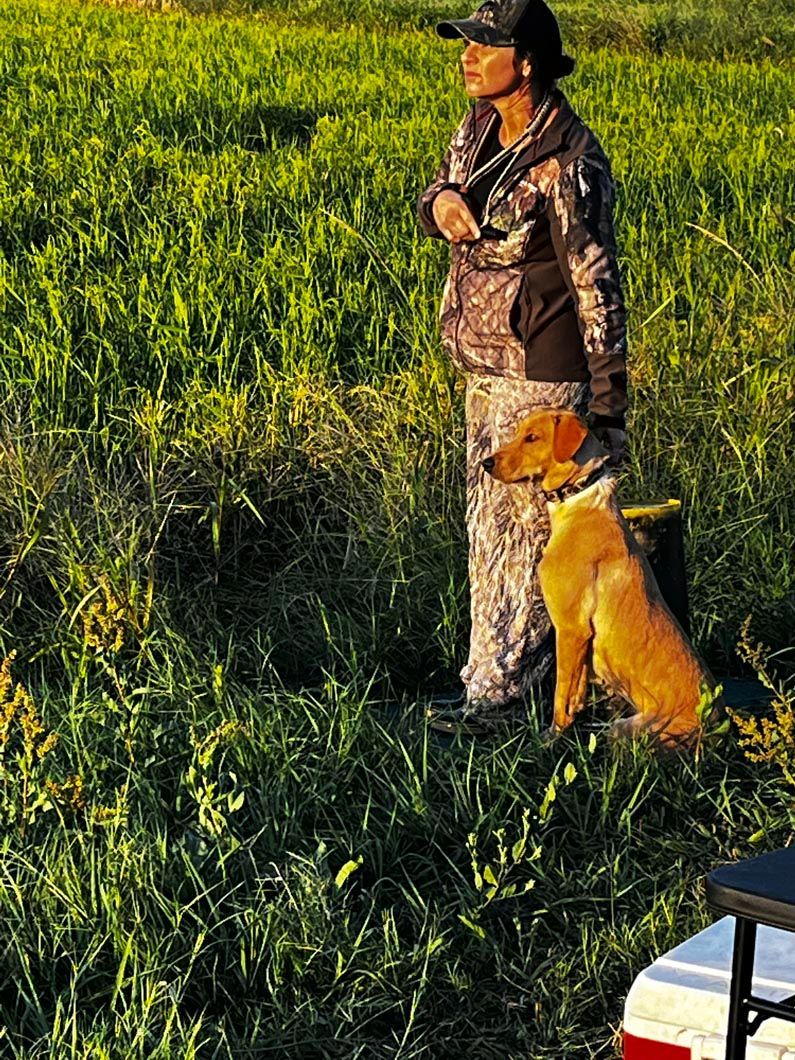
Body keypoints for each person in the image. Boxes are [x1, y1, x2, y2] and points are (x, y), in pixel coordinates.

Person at [417, 0, 629, 734]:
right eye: (466, 42)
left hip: (541, 374)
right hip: (483, 367)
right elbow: (435, 188)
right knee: (488, 532)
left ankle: (504, 701)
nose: (468, 56)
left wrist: (608, 408)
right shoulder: (479, 127)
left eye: (486, 45)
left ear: (528, 62)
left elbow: (597, 288)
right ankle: (497, 683)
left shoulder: (570, 161)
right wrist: (441, 204)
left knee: (518, 542)